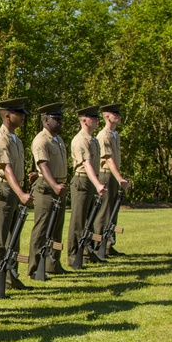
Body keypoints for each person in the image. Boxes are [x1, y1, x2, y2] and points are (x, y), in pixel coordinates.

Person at [0, 97, 33, 293]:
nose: (22, 117)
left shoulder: (15, 139)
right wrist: (21, 193)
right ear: (6, 115)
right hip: (4, 189)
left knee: (14, 237)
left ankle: (11, 277)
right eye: (18, 113)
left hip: (14, 189)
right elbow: (6, 169)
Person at [28, 103, 69, 279]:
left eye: (61, 119)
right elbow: (42, 165)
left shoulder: (57, 140)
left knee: (56, 228)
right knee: (42, 228)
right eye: (56, 119)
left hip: (59, 187)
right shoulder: (41, 140)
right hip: (47, 188)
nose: (60, 123)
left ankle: (53, 263)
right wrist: (55, 186)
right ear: (45, 120)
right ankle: (35, 267)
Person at [67, 105, 107, 269]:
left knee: (89, 220)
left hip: (91, 180)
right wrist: (98, 184)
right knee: (79, 221)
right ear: (84, 120)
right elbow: (86, 164)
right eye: (93, 117)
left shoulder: (93, 139)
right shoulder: (80, 140)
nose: (97, 120)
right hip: (83, 180)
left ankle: (87, 253)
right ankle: (73, 255)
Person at [96, 103, 130, 257]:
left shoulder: (114, 135)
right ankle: (99, 245)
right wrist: (120, 178)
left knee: (113, 211)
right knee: (104, 211)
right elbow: (108, 159)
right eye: (115, 114)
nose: (119, 116)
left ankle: (109, 245)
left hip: (113, 176)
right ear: (107, 116)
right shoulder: (104, 136)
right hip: (106, 175)